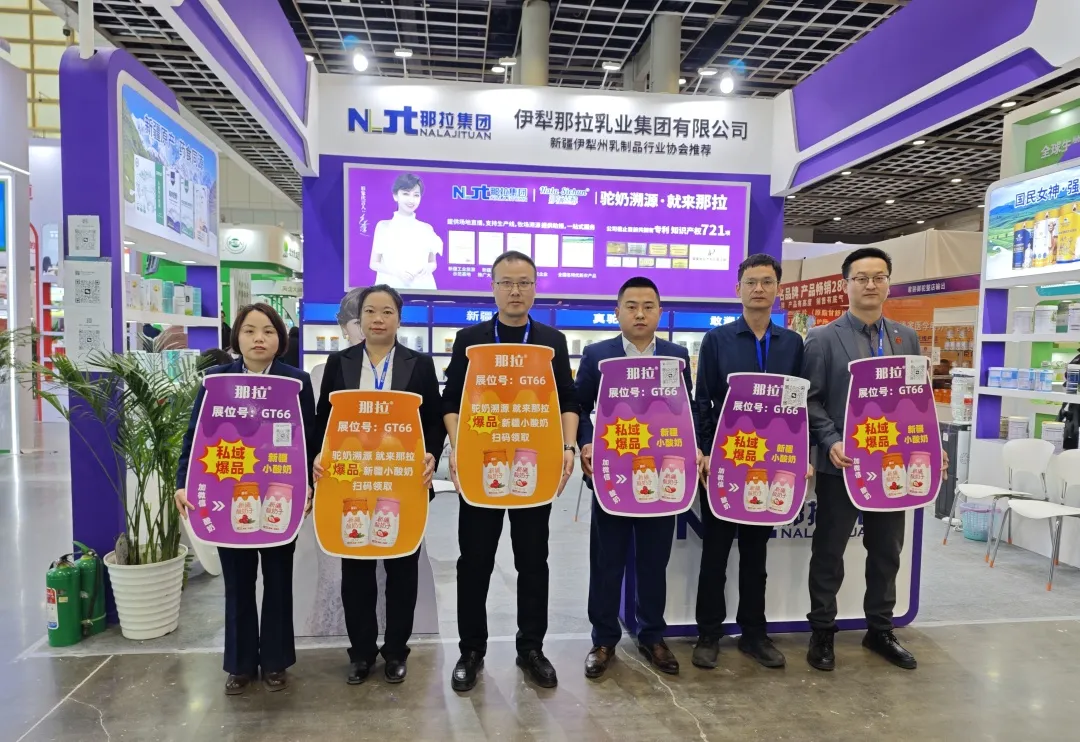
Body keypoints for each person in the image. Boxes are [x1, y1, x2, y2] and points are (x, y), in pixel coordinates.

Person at [802, 247, 946, 672]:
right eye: (861, 278)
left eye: (878, 277)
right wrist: (831, 440)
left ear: (888, 284)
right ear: (845, 284)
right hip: (843, 466)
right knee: (829, 552)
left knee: (886, 550)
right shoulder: (823, 338)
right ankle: (822, 631)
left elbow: (917, 403)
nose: (870, 285)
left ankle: (880, 629)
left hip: (892, 465)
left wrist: (931, 445)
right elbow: (810, 400)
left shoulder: (905, 338)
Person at [442, 250, 579, 691]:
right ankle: (471, 650)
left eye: (523, 282)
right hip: (481, 465)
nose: (515, 291)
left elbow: (568, 399)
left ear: (535, 288)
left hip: (533, 466)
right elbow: (451, 400)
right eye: (506, 282)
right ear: (493, 288)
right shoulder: (471, 339)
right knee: (474, 561)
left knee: (533, 561)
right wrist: (459, 447)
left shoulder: (551, 340)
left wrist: (567, 446)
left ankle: (531, 648)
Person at [174, 303, 318, 695]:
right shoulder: (216, 381)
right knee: (237, 583)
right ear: (236, 337)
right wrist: (182, 482)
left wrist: (309, 485)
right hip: (227, 495)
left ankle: (275, 662)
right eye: (250, 330)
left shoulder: (296, 382)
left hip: (280, 497)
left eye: (268, 331)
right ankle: (239, 664)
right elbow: (195, 435)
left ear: (280, 339)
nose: (259, 338)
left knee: (278, 582)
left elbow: (309, 441)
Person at [311, 285, 444, 685]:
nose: (378, 319)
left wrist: (431, 454)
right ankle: (362, 653)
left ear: (398, 319)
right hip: (351, 478)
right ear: (360, 319)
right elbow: (323, 420)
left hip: (402, 480)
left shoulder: (419, 364)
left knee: (402, 570)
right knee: (356, 570)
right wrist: (317, 455)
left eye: (387, 311)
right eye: (370, 311)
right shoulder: (340, 362)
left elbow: (433, 420)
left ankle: (396, 652)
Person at [575, 277, 699, 678]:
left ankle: (652, 636)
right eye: (631, 306)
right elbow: (579, 406)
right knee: (606, 562)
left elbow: (685, 411)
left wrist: (694, 447)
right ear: (617, 312)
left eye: (648, 306)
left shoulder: (676, 357)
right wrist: (585, 443)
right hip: (612, 476)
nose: (640, 314)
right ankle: (603, 639)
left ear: (660, 312)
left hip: (662, 478)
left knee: (652, 562)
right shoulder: (598, 355)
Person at [691, 254, 806, 671]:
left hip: (771, 466)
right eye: (751, 282)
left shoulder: (792, 344)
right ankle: (709, 633)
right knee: (715, 554)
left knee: (757, 555)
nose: (759, 289)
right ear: (737, 289)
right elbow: (702, 401)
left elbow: (799, 406)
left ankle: (755, 634)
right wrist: (706, 451)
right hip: (725, 463)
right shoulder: (717, 340)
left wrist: (802, 456)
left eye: (767, 282)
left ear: (778, 289)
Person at [369, 173, 443, 291]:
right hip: (391, 287)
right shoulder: (383, 226)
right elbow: (374, 263)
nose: (411, 200)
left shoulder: (427, 228)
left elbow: (432, 263)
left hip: (423, 287)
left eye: (416, 195)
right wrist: (398, 273)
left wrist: (427, 268)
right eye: (406, 194)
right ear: (395, 196)